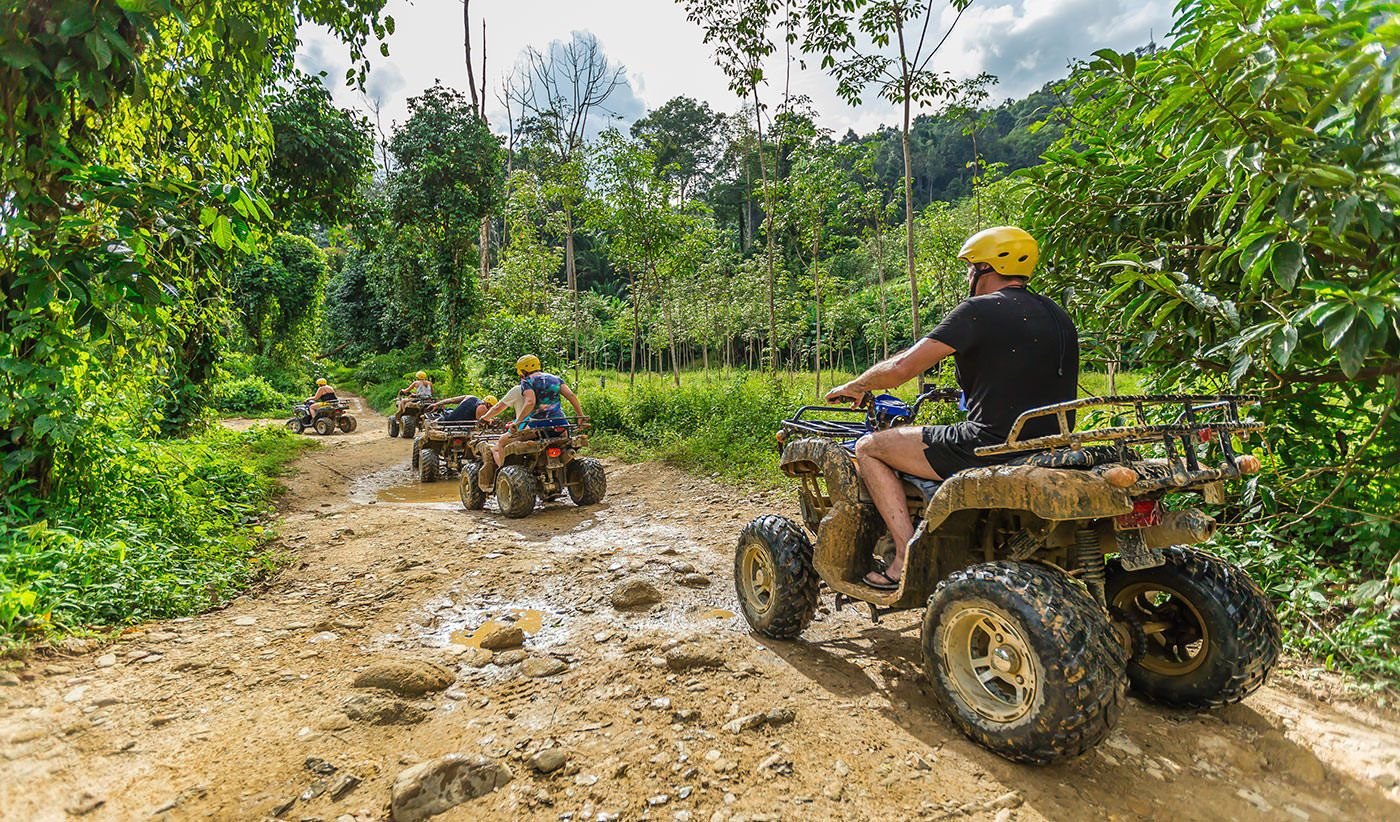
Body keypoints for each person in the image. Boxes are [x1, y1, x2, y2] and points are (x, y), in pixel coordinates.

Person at [825, 226, 1079, 590]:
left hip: (988, 444)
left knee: (869, 447)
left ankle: (903, 555)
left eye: (970, 267)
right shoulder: (1057, 314)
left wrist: (858, 384)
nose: (967, 274)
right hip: (1051, 442)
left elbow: (901, 369)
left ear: (986, 268)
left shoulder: (978, 311)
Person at [483, 355, 585, 468]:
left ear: (523, 370)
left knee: (501, 443)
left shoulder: (527, 381)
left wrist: (517, 422)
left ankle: (503, 472)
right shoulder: (556, 379)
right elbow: (571, 395)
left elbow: (530, 402)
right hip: (561, 425)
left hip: (537, 427)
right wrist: (580, 415)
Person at [429, 393, 499, 424]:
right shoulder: (483, 408)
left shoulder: (469, 397)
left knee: (446, 412)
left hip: (449, 421)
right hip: (465, 426)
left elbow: (452, 400)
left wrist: (436, 404)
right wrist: (490, 420)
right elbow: (481, 422)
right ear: (489, 404)